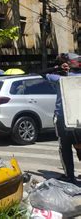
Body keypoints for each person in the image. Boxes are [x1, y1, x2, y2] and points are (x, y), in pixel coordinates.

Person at [44, 55, 80, 183]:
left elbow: (43, 73)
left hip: (62, 117)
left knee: (65, 147)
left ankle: (69, 176)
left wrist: (57, 69)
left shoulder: (58, 79)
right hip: (78, 117)